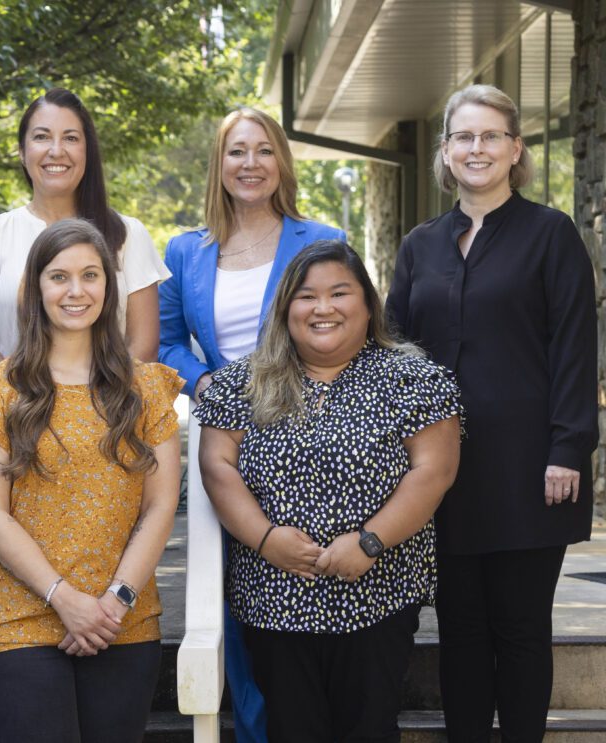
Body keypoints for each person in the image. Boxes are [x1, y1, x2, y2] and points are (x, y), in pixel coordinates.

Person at [385, 84, 597, 742]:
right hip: (441, 474)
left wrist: (568, 447)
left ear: (515, 150)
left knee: (523, 628)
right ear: (445, 153)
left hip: (532, 468)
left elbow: (573, 346)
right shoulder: (421, 245)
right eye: (462, 137)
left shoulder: (550, 234)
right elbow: (393, 348)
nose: (475, 148)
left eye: (489, 136)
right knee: (460, 629)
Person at [197, 240, 462, 743]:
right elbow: (217, 466)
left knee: (369, 729)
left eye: (339, 293)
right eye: (306, 296)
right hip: (275, 596)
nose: (323, 308)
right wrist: (265, 537)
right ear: (285, 308)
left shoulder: (415, 378)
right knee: (293, 730)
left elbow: (434, 471)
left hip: (378, 592)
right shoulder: (242, 382)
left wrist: (369, 541)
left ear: (366, 304)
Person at [0, 219, 182, 743]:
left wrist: (113, 602)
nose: (76, 291)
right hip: (18, 621)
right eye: (58, 277)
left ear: (109, 286)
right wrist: (65, 599)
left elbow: (161, 505)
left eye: (90, 275)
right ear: (34, 289)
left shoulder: (147, 388)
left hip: (121, 621)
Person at [157, 105, 344, 742]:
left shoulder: (320, 240)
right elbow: (161, 342)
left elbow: (343, 325)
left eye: (264, 150)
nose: (250, 164)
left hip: (307, 438)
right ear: (220, 163)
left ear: (281, 162)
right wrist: (207, 380)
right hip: (228, 443)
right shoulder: (186, 250)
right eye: (238, 151)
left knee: (303, 582)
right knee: (235, 601)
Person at [0, 88, 169, 369]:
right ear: (22, 152)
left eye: (71, 138)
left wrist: (91, 406)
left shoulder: (129, 235)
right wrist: (25, 401)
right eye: (42, 137)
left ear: (88, 150)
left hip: (109, 408)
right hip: (12, 407)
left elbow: (142, 347)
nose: (56, 150)